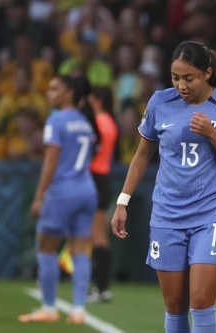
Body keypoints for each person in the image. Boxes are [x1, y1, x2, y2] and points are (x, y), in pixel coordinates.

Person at [110, 40, 216, 333]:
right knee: (175, 303)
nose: (181, 85)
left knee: (200, 300)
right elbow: (141, 157)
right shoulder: (159, 102)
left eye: (189, 78)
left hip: (213, 212)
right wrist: (122, 200)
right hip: (167, 214)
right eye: (176, 78)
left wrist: (213, 134)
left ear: (207, 73)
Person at [18, 75, 98, 324]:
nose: (49, 93)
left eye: (55, 89)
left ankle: (49, 307)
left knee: (46, 247)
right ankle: (79, 311)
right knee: (80, 251)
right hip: (87, 189)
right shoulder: (85, 122)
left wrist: (39, 195)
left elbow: (51, 160)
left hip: (63, 191)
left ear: (68, 93)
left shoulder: (56, 120)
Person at [87, 86, 119, 302]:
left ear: (97, 99)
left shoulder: (99, 122)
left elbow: (91, 152)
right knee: (98, 236)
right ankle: (100, 286)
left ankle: (101, 287)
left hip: (96, 178)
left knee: (97, 236)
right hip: (103, 178)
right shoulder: (110, 121)